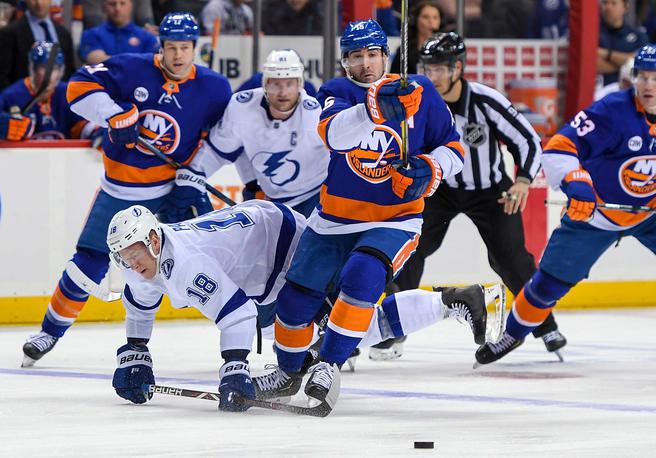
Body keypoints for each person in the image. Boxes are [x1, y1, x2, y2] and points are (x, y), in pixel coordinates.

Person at [254, 19, 466, 407]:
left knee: (362, 277)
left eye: (372, 54)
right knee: (294, 301)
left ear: (385, 55)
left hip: (395, 219)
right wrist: (375, 109)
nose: (365, 64)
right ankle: (287, 372)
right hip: (333, 219)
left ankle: (328, 366)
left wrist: (430, 170)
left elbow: (454, 148)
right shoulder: (336, 90)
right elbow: (334, 136)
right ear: (345, 61)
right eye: (356, 57)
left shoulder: (421, 90)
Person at [108, 200, 498, 410]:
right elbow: (140, 307)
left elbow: (235, 313)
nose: (130, 262)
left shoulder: (185, 264)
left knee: (340, 325)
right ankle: (294, 368)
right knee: (313, 335)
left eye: (134, 252)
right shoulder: (140, 262)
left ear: (155, 241)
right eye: (123, 257)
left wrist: (234, 368)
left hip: (278, 241)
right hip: (257, 253)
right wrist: (135, 352)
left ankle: (450, 301)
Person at [20, 12, 231, 367]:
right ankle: (48, 332)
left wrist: (195, 173)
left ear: (196, 48)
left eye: (185, 48)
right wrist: (113, 114)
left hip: (174, 190)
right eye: (171, 48)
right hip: (120, 190)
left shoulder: (214, 88)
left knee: (217, 258)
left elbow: (223, 138)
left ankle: (259, 333)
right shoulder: (130, 68)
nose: (178, 56)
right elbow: (76, 87)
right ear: (159, 46)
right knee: (88, 262)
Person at [475, 44, 656, 366]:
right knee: (548, 285)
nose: (648, 85)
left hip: (649, 214)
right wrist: (577, 182)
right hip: (595, 214)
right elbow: (559, 147)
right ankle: (513, 333)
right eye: (642, 76)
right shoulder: (613, 111)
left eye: (655, 77)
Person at [389, 31, 567, 360]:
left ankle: (544, 324)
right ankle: (395, 327)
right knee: (410, 248)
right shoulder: (421, 100)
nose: (433, 76)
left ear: (459, 68)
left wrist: (524, 180)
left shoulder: (486, 101)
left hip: (490, 192)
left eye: (441, 69)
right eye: (428, 69)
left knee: (510, 259)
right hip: (440, 190)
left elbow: (528, 140)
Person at [196, 49, 328, 218]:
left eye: (289, 84)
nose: (283, 92)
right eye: (276, 84)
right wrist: (192, 177)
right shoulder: (243, 107)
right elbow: (223, 151)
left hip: (316, 196)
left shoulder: (315, 115)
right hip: (273, 201)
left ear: (299, 85)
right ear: (265, 84)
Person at [0, 41, 102, 140]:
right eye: (44, 68)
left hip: (64, 156)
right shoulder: (11, 96)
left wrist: (96, 131)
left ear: (61, 71)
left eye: (55, 68)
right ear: (33, 69)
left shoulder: (69, 93)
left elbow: (80, 128)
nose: (50, 76)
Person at [0, 0, 75, 91]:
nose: (39, 3)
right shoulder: (9, 34)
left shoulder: (64, 34)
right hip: (23, 101)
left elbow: (70, 74)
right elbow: (1, 78)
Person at [79, 0, 159, 65]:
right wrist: (135, 63)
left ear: (131, 6)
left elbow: (152, 65)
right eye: (112, 4)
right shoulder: (91, 35)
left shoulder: (147, 37)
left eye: (122, 3)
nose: (117, 8)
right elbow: (97, 61)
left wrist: (109, 60)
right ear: (104, 7)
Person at [597, 0, 647, 88]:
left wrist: (606, 54)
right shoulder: (592, 33)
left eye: (613, 3)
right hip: (599, 90)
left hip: (629, 91)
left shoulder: (638, 35)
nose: (608, 7)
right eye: (605, 3)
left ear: (625, 7)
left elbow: (643, 63)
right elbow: (592, 64)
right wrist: (628, 64)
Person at [390, 0, 442, 74]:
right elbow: (394, 78)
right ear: (415, 20)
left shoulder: (444, 49)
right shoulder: (404, 50)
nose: (431, 21)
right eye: (426, 17)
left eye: (435, 17)